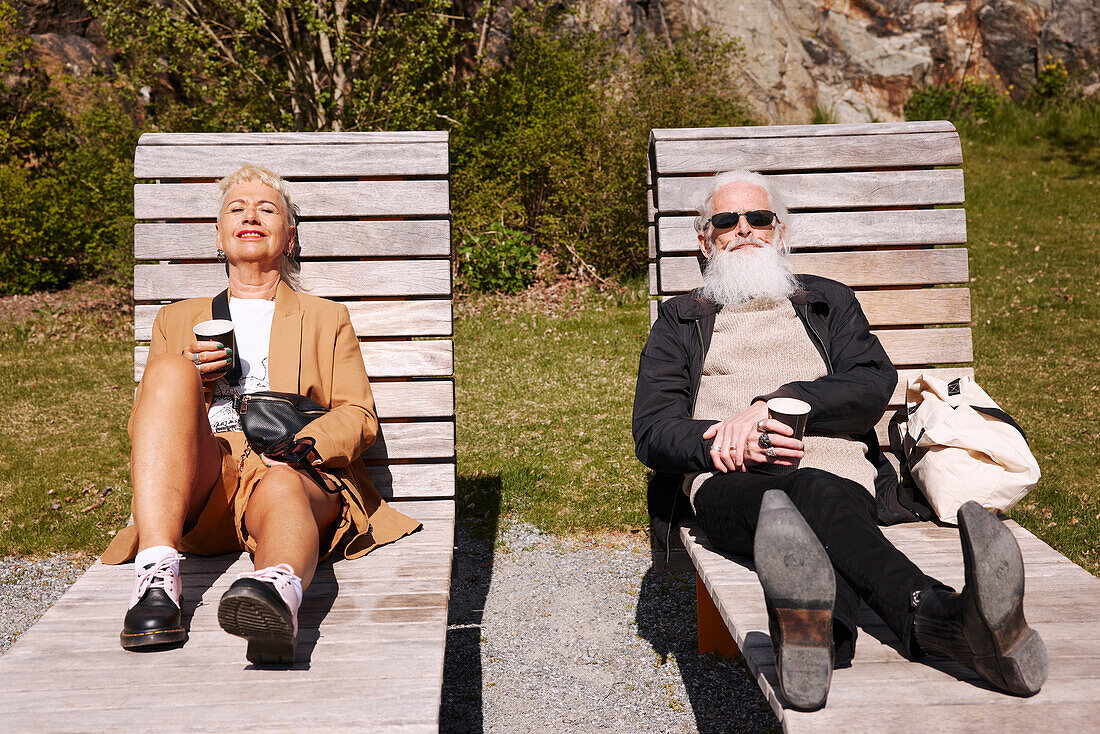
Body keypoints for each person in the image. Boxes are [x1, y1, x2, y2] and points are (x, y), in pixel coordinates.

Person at [632, 170, 1048, 710]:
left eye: (758, 218)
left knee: (817, 495)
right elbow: (653, 428)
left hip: (837, 473)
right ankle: (942, 617)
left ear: (778, 231)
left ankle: (816, 638)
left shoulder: (827, 302)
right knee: (799, 500)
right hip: (729, 483)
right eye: (726, 221)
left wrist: (772, 403)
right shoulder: (679, 321)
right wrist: (722, 440)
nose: (744, 230)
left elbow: (871, 384)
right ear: (704, 240)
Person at [103, 164, 421, 663]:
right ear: (218, 236)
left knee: (283, 484)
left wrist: (304, 448)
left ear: (289, 237)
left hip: (289, 469)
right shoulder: (176, 318)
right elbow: (147, 425)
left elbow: (358, 413)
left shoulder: (326, 318)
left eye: (267, 208)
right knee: (168, 371)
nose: (250, 214)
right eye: (236, 208)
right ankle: (157, 581)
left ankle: (275, 598)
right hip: (205, 479)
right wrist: (193, 379)